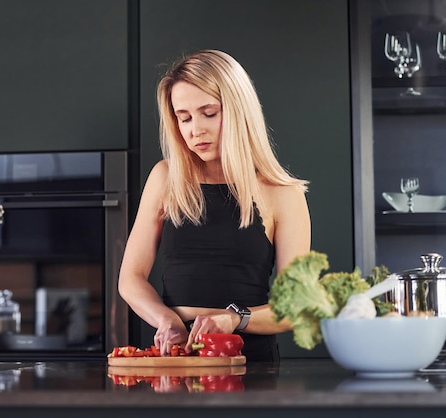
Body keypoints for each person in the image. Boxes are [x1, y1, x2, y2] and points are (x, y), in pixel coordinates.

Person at [117, 49, 311, 362]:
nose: (196, 129)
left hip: (249, 362)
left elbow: (296, 307)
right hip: (175, 356)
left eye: (209, 113)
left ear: (238, 111)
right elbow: (130, 279)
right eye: (184, 118)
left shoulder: (282, 193)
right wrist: (168, 320)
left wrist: (234, 319)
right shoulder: (165, 177)